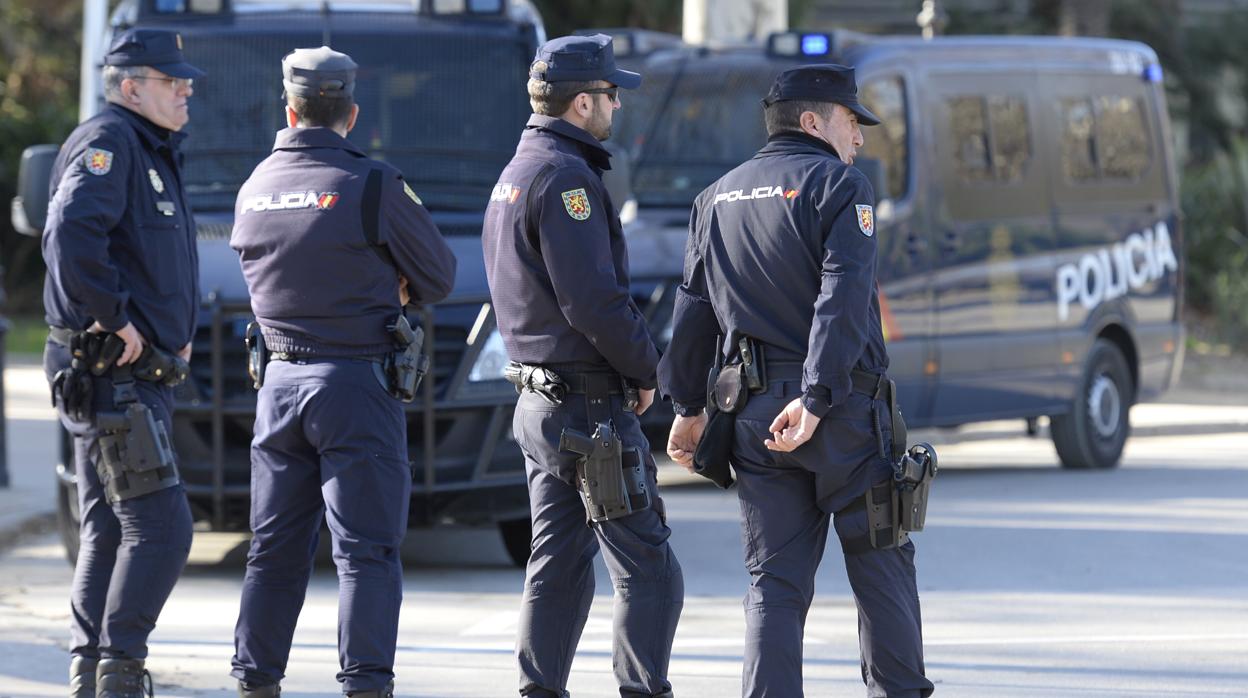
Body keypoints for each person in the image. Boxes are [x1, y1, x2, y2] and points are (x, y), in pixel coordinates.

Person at [658, 64, 935, 698]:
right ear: (812, 122)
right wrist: (815, 397)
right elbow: (841, 297)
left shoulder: (715, 197)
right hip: (836, 418)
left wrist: (687, 406)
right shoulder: (841, 186)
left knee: (774, 585)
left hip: (751, 416)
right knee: (880, 563)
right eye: (851, 121)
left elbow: (692, 308)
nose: (860, 137)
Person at [227, 46, 456, 697]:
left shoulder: (256, 186)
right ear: (352, 114)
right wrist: (391, 284)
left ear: (290, 110)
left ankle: (254, 680)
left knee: (273, 550)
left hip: (277, 387)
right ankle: (363, 685)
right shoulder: (372, 183)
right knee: (366, 552)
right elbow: (439, 275)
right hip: (355, 385)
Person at [482, 34, 684, 698]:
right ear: (579, 104)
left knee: (558, 567)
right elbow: (593, 300)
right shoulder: (566, 177)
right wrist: (649, 369)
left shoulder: (518, 169)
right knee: (649, 568)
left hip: (540, 405)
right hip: (587, 407)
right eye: (609, 93)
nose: (617, 104)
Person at [41, 27, 203, 698]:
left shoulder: (148, 145)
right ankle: (121, 667)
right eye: (172, 81)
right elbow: (72, 233)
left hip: (135, 375)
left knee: (109, 524)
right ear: (131, 86)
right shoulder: (111, 142)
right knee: (162, 527)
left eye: (185, 79)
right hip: (114, 374)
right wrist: (115, 316)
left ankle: (93, 664)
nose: (185, 89)